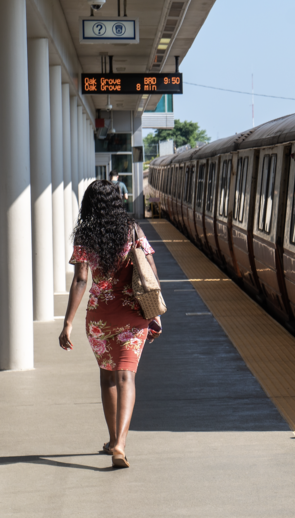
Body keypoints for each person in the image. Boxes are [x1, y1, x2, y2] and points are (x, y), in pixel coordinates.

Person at [58, 179, 161, 468]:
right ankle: (120, 445)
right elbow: (150, 271)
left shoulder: (85, 235)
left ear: (89, 204)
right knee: (126, 376)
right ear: (117, 201)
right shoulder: (133, 230)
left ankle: (113, 437)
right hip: (132, 315)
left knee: (107, 377)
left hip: (99, 317)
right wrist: (154, 315)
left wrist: (67, 323)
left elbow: (80, 280)